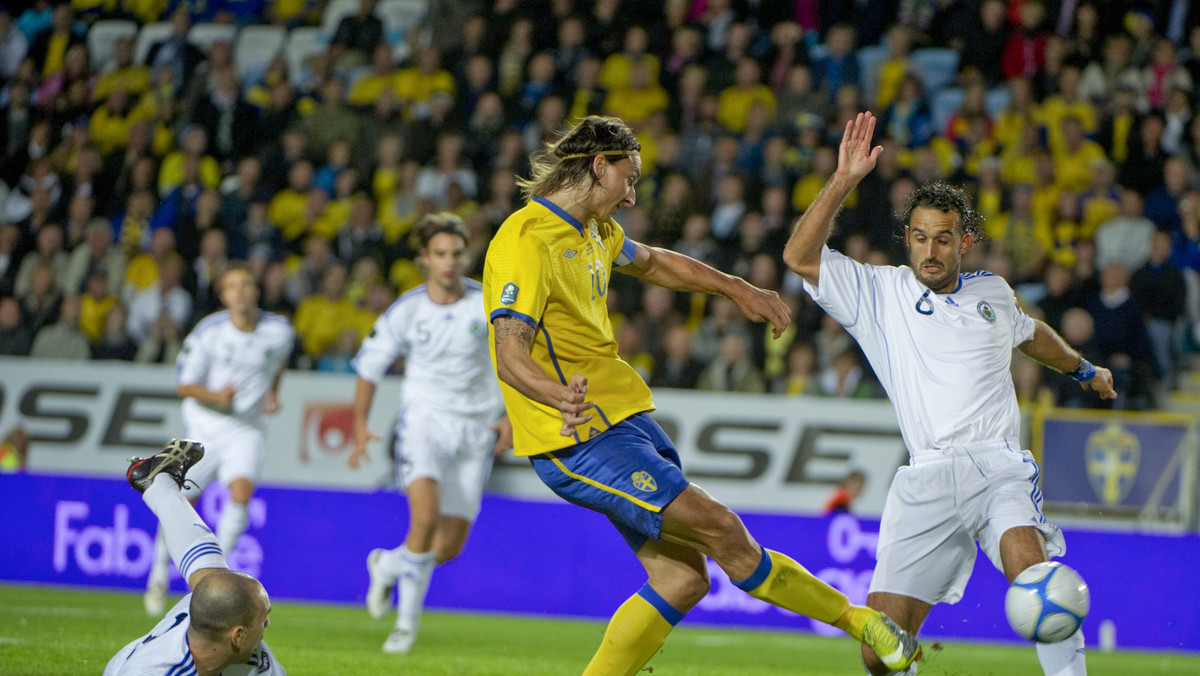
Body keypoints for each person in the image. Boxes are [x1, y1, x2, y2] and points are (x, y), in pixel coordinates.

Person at [483, 115, 919, 675]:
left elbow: (657, 262)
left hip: (623, 418)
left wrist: (736, 287)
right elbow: (509, 353)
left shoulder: (594, 232)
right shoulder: (525, 240)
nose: (632, 194)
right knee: (723, 528)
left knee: (682, 579)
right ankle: (863, 623)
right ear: (598, 166)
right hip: (577, 436)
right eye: (629, 178)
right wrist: (557, 395)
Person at [782, 112, 1116, 676]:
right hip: (926, 477)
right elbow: (798, 258)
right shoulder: (878, 292)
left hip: (997, 468)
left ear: (966, 241)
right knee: (881, 648)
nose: (930, 251)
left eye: (943, 239)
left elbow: (1033, 337)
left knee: (1034, 579)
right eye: (919, 238)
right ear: (906, 239)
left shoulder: (995, 293)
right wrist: (842, 180)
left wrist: (1085, 370)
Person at [349, 213, 512, 655]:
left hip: (476, 430)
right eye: (440, 253)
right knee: (423, 518)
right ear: (425, 259)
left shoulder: (488, 303)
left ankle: (387, 565)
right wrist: (361, 423)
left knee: (448, 546)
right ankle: (405, 626)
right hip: (423, 422)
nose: (449, 261)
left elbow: (516, 361)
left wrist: (512, 417)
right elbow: (368, 366)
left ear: (466, 255)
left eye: (456, 253)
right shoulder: (408, 309)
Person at [144, 263, 294, 616]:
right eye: (232, 286)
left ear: (256, 291)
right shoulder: (209, 333)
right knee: (182, 505)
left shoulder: (279, 331)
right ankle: (157, 578)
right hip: (204, 428)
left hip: (247, 428)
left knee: (241, 494)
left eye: (246, 284)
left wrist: (273, 391)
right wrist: (216, 396)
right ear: (224, 296)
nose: (240, 292)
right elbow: (182, 385)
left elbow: (278, 361)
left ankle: (212, 580)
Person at [107, 438, 285, 675]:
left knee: (219, 589)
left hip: (217, 646)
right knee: (219, 590)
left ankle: (158, 484)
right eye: (263, 618)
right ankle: (158, 485)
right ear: (238, 635)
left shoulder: (248, 654)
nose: (267, 625)